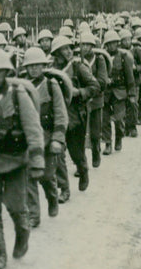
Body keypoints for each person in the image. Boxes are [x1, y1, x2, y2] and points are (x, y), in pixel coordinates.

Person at [0, 50, 45, 269]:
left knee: (16, 207)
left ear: (7, 71)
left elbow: (33, 127)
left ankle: (23, 232)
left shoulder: (17, 94)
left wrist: (37, 159)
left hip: (15, 160)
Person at [20, 47, 67, 226]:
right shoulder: (22, 86)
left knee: (46, 176)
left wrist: (58, 138)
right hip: (28, 139)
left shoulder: (51, 85)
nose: (34, 69)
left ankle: (52, 197)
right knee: (29, 176)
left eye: (37, 66)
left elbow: (61, 113)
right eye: (30, 66)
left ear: (43, 66)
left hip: (47, 138)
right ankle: (34, 215)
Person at [49, 36, 100, 192]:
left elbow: (95, 86)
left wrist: (80, 92)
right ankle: (64, 188)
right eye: (65, 49)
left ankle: (83, 169)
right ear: (57, 52)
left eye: (70, 48)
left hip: (75, 116)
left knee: (76, 152)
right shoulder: (50, 69)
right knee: (58, 153)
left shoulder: (78, 67)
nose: (69, 51)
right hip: (56, 116)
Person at [78, 32, 109, 169]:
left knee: (95, 132)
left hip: (96, 99)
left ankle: (96, 152)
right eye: (82, 45)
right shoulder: (77, 61)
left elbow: (102, 81)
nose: (85, 47)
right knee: (80, 133)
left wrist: (91, 86)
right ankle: (82, 163)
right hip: (82, 100)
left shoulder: (99, 59)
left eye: (87, 45)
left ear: (92, 46)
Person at [101, 30, 135, 155]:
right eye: (109, 44)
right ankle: (107, 143)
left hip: (119, 91)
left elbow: (129, 77)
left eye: (114, 43)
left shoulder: (123, 57)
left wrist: (131, 94)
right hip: (106, 93)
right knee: (104, 119)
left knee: (119, 119)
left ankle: (119, 139)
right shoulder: (102, 57)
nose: (112, 46)